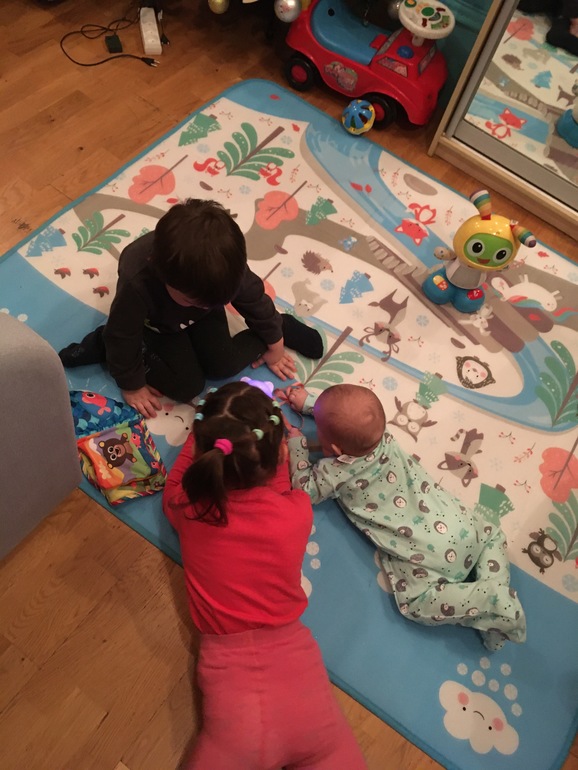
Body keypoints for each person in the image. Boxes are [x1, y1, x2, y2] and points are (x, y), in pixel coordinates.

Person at [162, 380, 367, 770]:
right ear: (280, 456)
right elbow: (280, 488)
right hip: (307, 693)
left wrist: (200, 439)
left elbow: (175, 484)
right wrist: (277, 450)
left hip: (234, 712)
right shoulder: (297, 512)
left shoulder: (189, 509)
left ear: (207, 454)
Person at [285, 383, 527, 652]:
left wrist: (297, 445)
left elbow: (304, 490)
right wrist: (310, 403)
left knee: (416, 603)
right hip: (462, 526)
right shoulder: (383, 437)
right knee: (492, 534)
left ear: (334, 448)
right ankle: (494, 602)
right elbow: (345, 417)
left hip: (429, 557)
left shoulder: (334, 473)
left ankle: (490, 602)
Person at [59, 199, 323, 418]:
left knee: (223, 365)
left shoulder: (223, 267)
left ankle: (280, 324)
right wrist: (131, 384)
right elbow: (123, 334)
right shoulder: (138, 284)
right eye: (193, 300)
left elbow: (253, 298)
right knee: (187, 385)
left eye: (216, 300)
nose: (205, 305)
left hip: (200, 313)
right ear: (163, 275)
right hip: (156, 326)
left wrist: (275, 342)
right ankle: (102, 344)